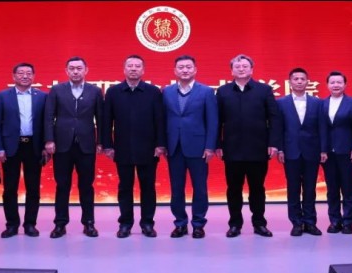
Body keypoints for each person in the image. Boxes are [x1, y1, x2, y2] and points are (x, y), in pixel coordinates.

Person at [216, 54, 281, 238]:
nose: (241, 69)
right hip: (232, 149)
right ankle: (235, 224)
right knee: (233, 189)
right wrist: (217, 144)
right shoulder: (223, 91)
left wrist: (273, 143)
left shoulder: (264, 90)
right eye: (237, 66)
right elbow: (217, 120)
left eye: (245, 66)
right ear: (231, 71)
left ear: (252, 69)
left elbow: (274, 118)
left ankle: (259, 223)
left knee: (257, 189)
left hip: (258, 148)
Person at [103, 55, 166, 238]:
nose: (133, 69)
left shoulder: (153, 92)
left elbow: (160, 120)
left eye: (137, 66)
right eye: (130, 66)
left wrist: (160, 144)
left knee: (148, 188)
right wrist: (108, 145)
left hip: (148, 148)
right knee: (125, 188)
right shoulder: (113, 92)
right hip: (122, 148)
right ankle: (125, 224)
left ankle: (147, 223)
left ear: (143, 70)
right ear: (124, 69)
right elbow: (106, 121)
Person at [44, 56, 103, 238]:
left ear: (86, 70)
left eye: (79, 68)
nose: (75, 71)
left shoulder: (95, 91)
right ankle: (60, 224)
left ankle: (89, 223)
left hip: (86, 145)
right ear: (66, 71)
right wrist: (49, 140)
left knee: (87, 186)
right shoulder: (56, 90)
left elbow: (101, 119)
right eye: (72, 68)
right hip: (62, 145)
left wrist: (101, 141)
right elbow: (48, 116)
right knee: (62, 185)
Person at [162, 55, 218, 239]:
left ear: (195, 70)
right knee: (176, 188)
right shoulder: (166, 91)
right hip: (174, 147)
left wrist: (210, 146)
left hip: (199, 147)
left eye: (188, 67)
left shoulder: (206, 92)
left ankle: (198, 224)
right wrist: (162, 144)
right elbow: (162, 120)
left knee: (200, 188)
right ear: (175, 71)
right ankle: (180, 224)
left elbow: (212, 121)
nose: (185, 70)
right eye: (181, 67)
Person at [0, 63, 48, 238]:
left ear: (34, 76)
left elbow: (47, 124)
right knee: (10, 188)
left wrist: (46, 146)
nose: (25, 76)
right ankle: (12, 225)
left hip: (33, 147)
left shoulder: (42, 96)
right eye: (21, 73)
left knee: (33, 188)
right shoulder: (2, 96)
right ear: (13, 76)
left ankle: (30, 224)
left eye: (29, 73)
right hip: (10, 147)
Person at [277, 67, 327, 237]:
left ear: (307, 82)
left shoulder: (317, 103)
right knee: (293, 188)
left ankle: (310, 222)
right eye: (295, 79)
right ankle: (296, 223)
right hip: (290, 151)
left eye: (302, 79)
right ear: (290, 82)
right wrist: (280, 149)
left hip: (312, 151)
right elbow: (278, 128)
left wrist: (323, 149)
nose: (299, 81)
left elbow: (322, 128)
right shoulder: (281, 103)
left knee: (310, 188)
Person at [321, 71, 352, 234]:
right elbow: (321, 129)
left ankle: (348, 222)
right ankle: (334, 221)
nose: (336, 85)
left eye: (339, 82)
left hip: (347, 151)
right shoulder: (322, 104)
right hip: (327, 153)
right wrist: (322, 149)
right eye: (332, 82)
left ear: (345, 85)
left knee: (347, 188)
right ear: (327, 85)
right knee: (332, 189)